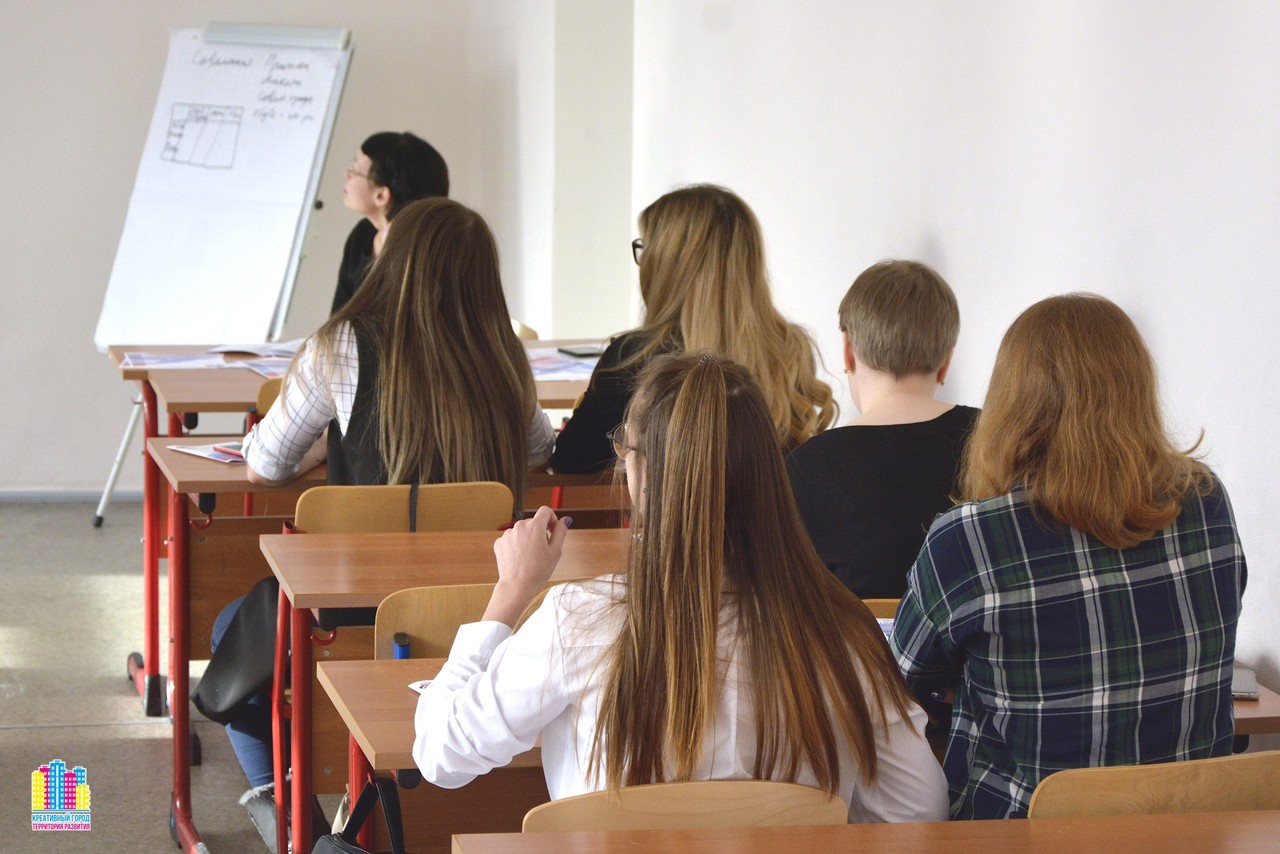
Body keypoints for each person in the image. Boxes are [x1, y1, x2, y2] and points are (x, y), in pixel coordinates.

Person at [415, 353, 949, 823]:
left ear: (643, 473)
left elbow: (441, 754)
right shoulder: (846, 633)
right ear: (768, 474)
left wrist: (509, 593)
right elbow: (917, 810)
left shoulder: (575, 620)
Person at [218, 197, 554, 849]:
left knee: (230, 629)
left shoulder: (342, 345)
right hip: (487, 613)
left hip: (354, 612)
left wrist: (329, 444)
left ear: (392, 260)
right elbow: (539, 450)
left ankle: (281, 804)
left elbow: (265, 463)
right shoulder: (502, 352)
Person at [890, 294, 1247, 820]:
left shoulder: (968, 540)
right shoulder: (1206, 502)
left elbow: (898, 686)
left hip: (1022, 832)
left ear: (1010, 401)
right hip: (1190, 830)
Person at [549, 184, 835, 472]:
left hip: (661, 504)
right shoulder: (790, 349)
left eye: (645, 249)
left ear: (666, 265)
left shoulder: (633, 356)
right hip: (765, 505)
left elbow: (571, 459)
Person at [787, 260, 978, 599]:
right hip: (972, 634)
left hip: (853, 635)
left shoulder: (806, 467)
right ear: (946, 362)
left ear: (848, 352)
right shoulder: (993, 438)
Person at [330, 131, 448, 315]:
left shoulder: (429, 254)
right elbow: (338, 319)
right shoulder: (362, 234)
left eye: (354, 168)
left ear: (382, 195)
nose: (346, 174)